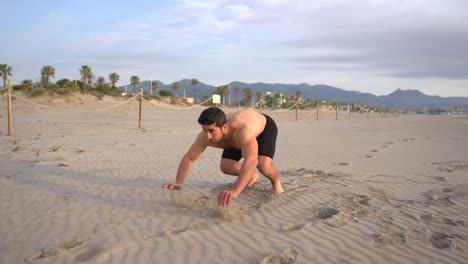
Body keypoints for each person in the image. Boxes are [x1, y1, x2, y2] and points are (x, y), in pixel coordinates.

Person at [162, 107, 284, 207]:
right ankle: (251, 176)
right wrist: (179, 182)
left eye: (212, 131)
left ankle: (276, 183)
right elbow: (189, 158)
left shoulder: (242, 132)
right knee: (226, 167)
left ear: (224, 127)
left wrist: (235, 191)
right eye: (205, 130)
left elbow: (251, 160)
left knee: (263, 165)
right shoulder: (205, 136)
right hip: (234, 139)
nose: (208, 136)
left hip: (264, 128)